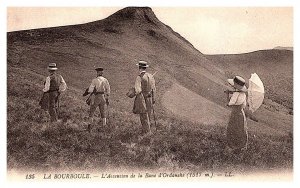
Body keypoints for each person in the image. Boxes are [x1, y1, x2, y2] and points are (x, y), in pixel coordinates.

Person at [225, 75, 248, 151]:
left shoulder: (235, 94)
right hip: (241, 113)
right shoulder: (243, 94)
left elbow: (229, 104)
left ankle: (232, 146)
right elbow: (243, 105)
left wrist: (227, 95)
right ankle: (241, 146)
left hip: (235, 113)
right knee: (241, 129)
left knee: (232, 128)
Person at [133, 60, 156, 134]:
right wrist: (153, 99)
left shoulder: (139, 77)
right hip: (150, 98)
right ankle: (148, 132)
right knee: (148, 115)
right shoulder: (151, 76)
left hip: (142, 98)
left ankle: (146, 133)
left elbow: (138, 90)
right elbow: (154, 89)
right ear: (145, 68)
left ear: (139, 68)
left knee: (143, 116)